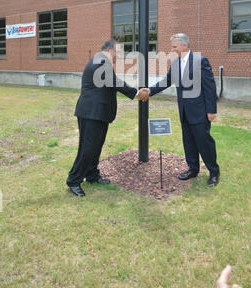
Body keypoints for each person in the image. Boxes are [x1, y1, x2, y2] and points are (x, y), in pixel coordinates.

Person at [138, 33, 220, 187]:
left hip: (200, 111)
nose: (172, 49)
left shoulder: (200, 61)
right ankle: (193, 169)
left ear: (184, 45)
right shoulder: (175, 63)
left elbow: (210, 87)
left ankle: (214, 172)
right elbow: (167, 81)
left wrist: (211, 111)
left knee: (204, 142)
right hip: (184, 111)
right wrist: (149, 90)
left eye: (174, 46)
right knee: (188, 141)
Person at [66, 40, 137, 197]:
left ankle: (92, 175)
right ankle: (73, 180)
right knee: (88, 147)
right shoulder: (100, 60)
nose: (118, 56)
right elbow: (114, 82)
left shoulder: (101, 60)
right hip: (91, 113)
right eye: (117, 53)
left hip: (98, 113)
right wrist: (136, 93)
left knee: (96, 146)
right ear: (108, 49)